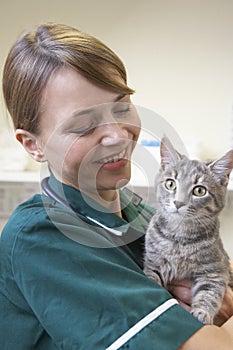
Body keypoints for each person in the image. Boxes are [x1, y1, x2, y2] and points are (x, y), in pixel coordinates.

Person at [0, 22, 233, 350]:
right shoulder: (41, 236)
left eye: (122, 107)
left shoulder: (136, 211)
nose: (119, 135)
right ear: (32, 145)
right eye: (84, 125)